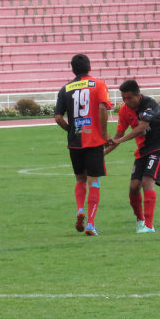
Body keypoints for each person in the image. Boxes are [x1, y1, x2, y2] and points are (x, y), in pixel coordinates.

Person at [54, 54, 112, 236]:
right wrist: (103, 133)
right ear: (89, 67)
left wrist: (71, 130)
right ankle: (91, 224)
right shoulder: (99, 84)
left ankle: (80, 209)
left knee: (80, 179)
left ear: (73, 69)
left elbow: (57, 117)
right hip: (94, 139)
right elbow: (103, 107)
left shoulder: (65, 89)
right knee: (94, 181)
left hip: (75, 140)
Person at [105, 80, 160, 233]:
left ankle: (149, 225)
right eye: (123, 98)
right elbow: (117, 136)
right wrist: (101, 155)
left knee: (147, 181)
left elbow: (141, 128)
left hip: (158, 146)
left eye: (129, 98)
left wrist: (119, 140)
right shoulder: (123, 111)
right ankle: (140, 221)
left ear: (138, 96)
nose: (126, 102)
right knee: (134, 187)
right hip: (142, 150)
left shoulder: (149, 104)